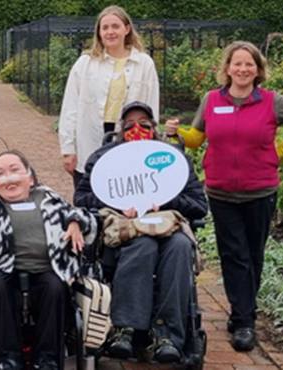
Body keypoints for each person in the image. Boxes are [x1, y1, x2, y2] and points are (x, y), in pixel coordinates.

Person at [165, 41, 283, 351]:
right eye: (237, 63)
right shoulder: (211, 100)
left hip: (260, 190)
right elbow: (197, 139)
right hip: (222, 191)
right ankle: (245, 321)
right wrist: (177, 133)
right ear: (227, 69)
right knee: (233, 254)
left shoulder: (271, 101)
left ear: (258, 69)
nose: (242, 69)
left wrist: (280, 153)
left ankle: (241, 313)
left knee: (253, 254)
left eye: (249, 64)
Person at [0, 150, 97, 370]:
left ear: (30, 178)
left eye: (15, 171)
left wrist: (75, 221)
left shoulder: (49, 198)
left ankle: (47, 360)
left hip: (46, 268)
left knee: (56, 287)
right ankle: (8, 358)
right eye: (0, 174)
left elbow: (88, 218)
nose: (9, 178)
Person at [74, 102, 207, 363]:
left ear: (154, 129)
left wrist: (169, 201)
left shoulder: (174, 157)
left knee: (181, 247)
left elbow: (199, 205)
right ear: (121, 130)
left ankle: (167, 334)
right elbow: (81, 199)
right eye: (130, 124)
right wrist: (115, 204)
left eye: (144, 124)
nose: (138, 129)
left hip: (168, 223)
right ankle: (125, 329)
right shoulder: (103, 158)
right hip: (125, 226)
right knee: (142, 244)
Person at [59, 5, 160, 192]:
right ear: (98, 32)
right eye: (105, 28)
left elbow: (151, 106)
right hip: (90, 137)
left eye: (115, 26)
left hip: (130, 136)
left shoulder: (144, 63)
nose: (110, 32)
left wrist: (151, 145)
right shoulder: (85, 63)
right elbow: (70, 107)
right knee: (89, 196)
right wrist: (68, 150)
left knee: (124, 193)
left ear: (127, 29)